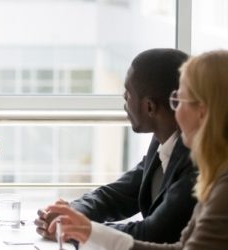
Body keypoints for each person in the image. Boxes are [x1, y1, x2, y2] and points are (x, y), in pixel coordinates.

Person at [46, 49, 228, 249]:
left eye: (178, 100)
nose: (175, 110)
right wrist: (79, 223)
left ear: (202, 112)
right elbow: (182, 246)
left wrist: (84, 231)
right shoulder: (211, 168)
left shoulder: (211, 175)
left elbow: (157, 233)